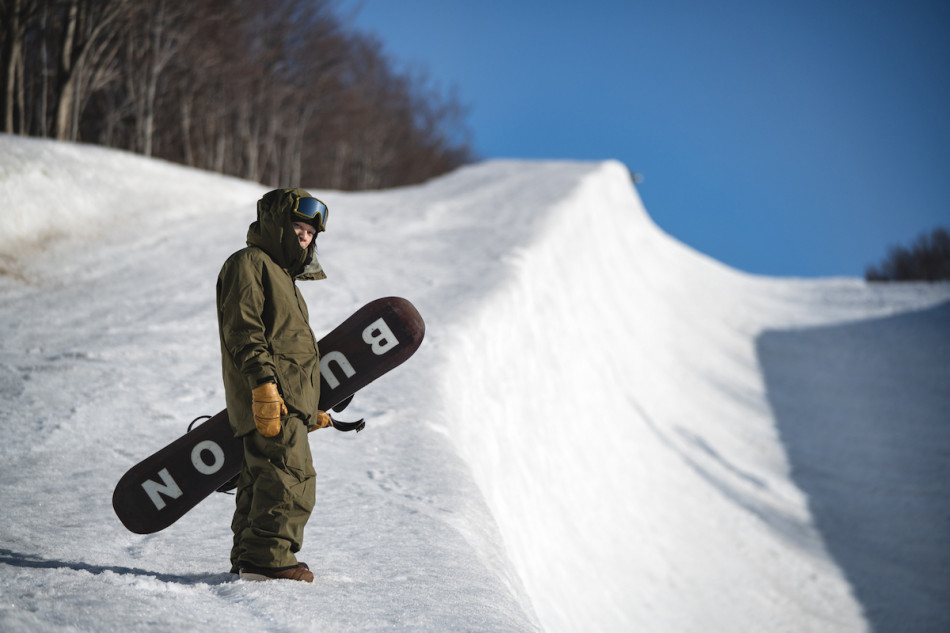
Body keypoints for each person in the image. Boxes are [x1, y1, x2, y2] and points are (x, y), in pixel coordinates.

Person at [216, 187, 333, 583]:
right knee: (290, 477)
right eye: (298, 227)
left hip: (286, 404)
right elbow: (245, 330)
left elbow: (292, 352)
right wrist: (263, 385)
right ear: (277, 224)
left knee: (261, 478)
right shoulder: (250, 263)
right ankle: (269, 560)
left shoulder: (287, 281)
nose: (305, 237)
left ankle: (250, 561)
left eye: (310, 233)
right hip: (268, 398)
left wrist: (307, 405)